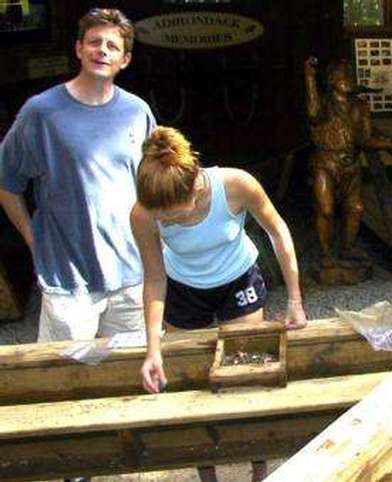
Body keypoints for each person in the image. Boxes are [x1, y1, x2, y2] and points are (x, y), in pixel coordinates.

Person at [131, 126, 306, 482]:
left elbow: (278, 231)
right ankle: (207, 473)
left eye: (175, 217)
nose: (170, 223)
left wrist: (295, 300)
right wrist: (153, 348)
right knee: (193, 378)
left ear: (196, 186)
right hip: (183, 286)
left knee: (247, 372)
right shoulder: (143, 213)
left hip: (237, 278)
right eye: (165, 220)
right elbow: (154, 278)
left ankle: (259, 467)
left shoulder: (236, 185)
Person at [0, 8, 155, 342]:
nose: (102, 50)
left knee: (132, 373)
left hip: (131, 273)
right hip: (68, 279)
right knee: (64, 375)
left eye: (112, 46)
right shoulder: (41, 112)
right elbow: (6, 181)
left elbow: (153, 185)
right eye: (94, 42)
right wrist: (32, 238)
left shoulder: (137, 112)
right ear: (78, 49)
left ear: (125, 60)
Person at [304, 56, 392, 269]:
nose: (346, 79)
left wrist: (391, 144)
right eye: (340, 75)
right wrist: (309, 78)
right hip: (326, 163)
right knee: (325, 209)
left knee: (356, 207)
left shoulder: (360, 107)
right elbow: (313, 114)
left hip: (351, 164)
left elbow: (365, 139)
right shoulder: (324, 103)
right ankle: (325, 252)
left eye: (349, 76)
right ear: (331, 80)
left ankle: (348, 248)